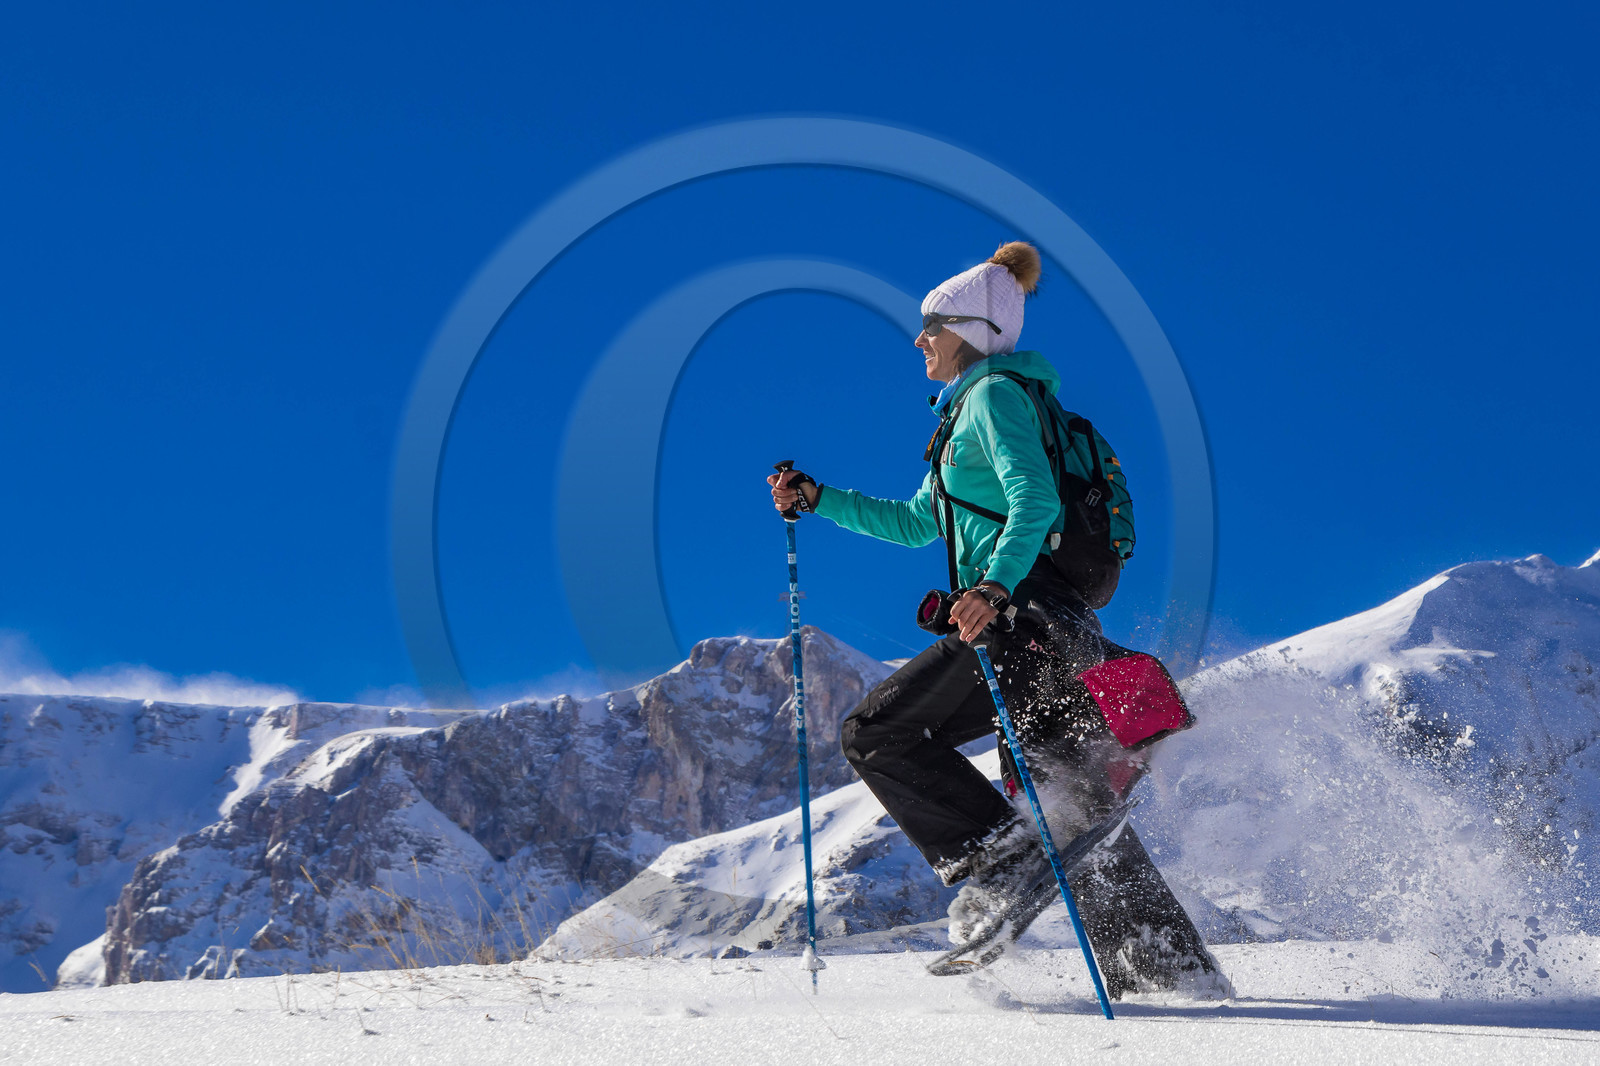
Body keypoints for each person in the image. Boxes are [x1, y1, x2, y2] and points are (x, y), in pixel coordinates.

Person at [767, 242, 1228, 998]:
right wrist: (819, 499)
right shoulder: (966, 417)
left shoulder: (992, 397)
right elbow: (916, 523)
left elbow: (1034, 500)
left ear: (971, 331)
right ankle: (1168, 972)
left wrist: (992, 588)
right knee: (1074, 814)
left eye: (933, 327)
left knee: (876, 733)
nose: (921, 340)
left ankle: (1002, 859)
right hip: (1048, 622)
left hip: (1020, 620)